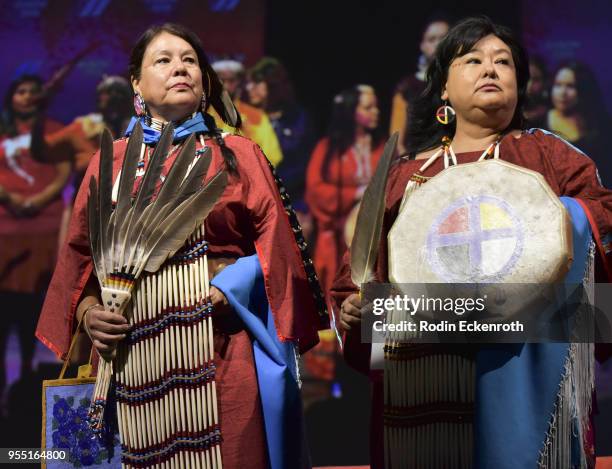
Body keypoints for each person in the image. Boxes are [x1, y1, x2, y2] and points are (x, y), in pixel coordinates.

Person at [36, 23, 326, 468]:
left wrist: (228, 287)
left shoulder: (239, 154)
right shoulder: (109, 162)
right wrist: (90, 314)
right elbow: (80, 263)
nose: (180, 68)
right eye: (164, 60)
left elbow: (281, 251)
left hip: (221, 349)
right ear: (136, 82)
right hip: (131, 358)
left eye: (190, 60)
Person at [332, 17, 612, 468]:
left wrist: (562, 220)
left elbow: (604, 221)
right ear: (443, 87)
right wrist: (357, 309)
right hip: (423, 380)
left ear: (520, 85)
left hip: (527, 370)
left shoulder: (548, 156)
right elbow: (360, 276)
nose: (490, 69)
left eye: (504, 62)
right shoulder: (406, 175)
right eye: (473, 60)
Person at [0, 75, 71, 402]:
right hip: (5, 230)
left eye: (32, 91)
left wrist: (40, 199)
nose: (27, 97)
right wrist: (10, 198)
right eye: (21, 91)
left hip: (43, 229)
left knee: (32, 307)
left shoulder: (55, 129)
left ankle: (29, 378)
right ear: (11, 97)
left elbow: (63, 170)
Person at [306, 84, 385, 296]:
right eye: (368, 108)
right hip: (335, 235)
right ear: (351, 111)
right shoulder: (328, 148)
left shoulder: (383, 145)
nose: (376, 112)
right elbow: (315, 190)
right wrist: (358, 193)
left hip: (374, 235)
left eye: (376, 107)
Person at [246, 57, 316, 209]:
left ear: (273, 86)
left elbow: (307, 167)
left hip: (292, 202)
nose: (250, 88)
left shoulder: (298, 119)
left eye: (257, 83)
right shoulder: (245, 119)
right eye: (249, 83)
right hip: (253, 203)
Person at [389, 17, 450, 154]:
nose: (438, 43)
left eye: (443, 37)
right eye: (431, 39)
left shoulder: (464, 79)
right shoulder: (407, 86)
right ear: (422, 45)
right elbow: (396, 140)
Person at [545, 61, 611, 185]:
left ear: (583, 89)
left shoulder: (600, 127)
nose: (562, 93)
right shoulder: (535, 124)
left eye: (570, 86)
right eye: (558, 85)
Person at [210, 59, 284, 167]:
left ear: (239, 82)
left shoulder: (256, 116)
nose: (225, 86)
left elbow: (272, 157)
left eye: (231, 80)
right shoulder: (201, 114)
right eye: (221, 80)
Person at [523, 55, 549, 128]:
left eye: (536, 80)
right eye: (525, 78)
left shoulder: (549, 115)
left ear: (545, 82)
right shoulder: (507, 113)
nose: (529, 85)